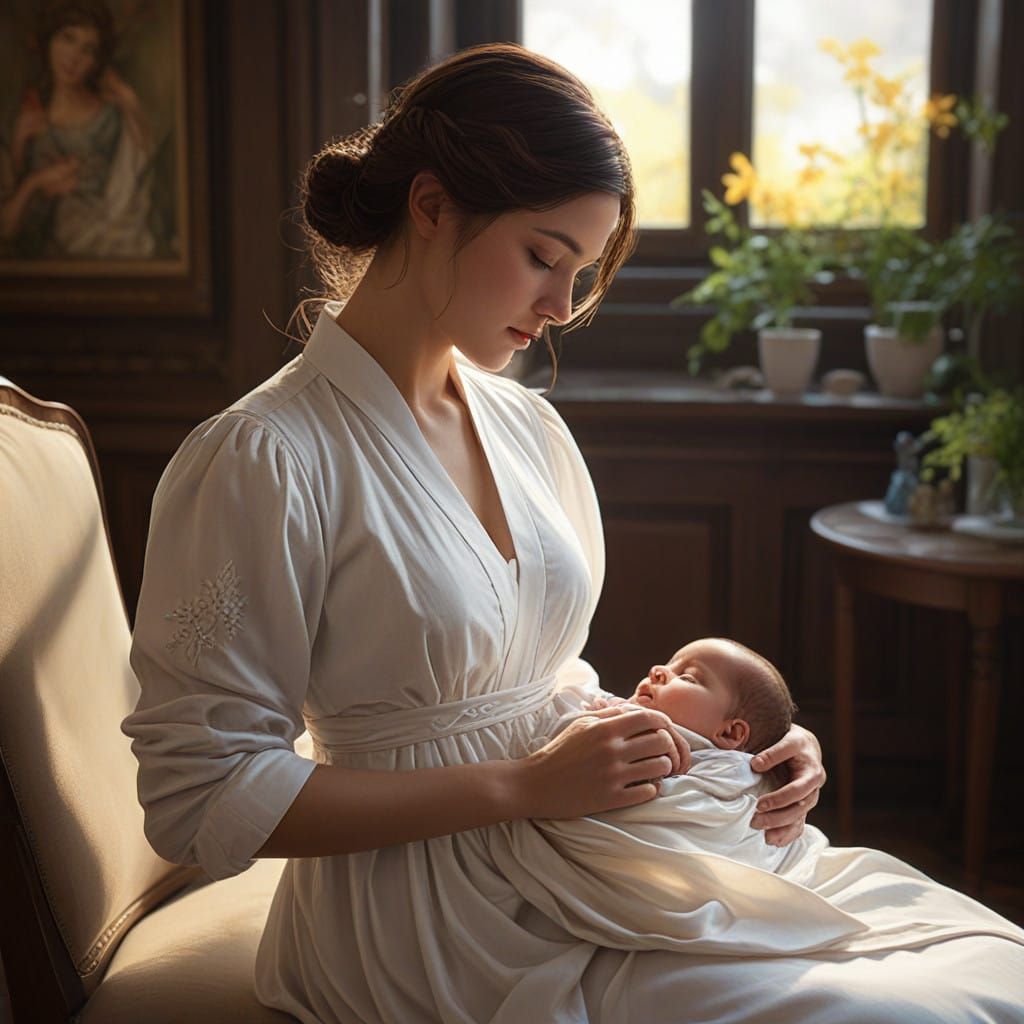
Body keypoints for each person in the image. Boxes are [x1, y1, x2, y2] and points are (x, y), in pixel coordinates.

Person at [123, 43, 1024, 1024]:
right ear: (432, 206)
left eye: (579, 272)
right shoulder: (264, 456)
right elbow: (200, 794)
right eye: (542, 256)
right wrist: (518, 786)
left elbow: (538, 679)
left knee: (990, 961)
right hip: (428, 919)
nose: (558, 308)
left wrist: (738, 763)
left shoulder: (524, 425)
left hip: (587, 848)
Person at [0, 0, 156, 259]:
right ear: (49, 40)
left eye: (88, 49)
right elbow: (7, 224)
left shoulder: (111, 118)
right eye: (67, 38)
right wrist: (26, 163)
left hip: (101, 252)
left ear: (97, 61)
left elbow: (135, 177)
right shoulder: (24, 118)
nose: (73, 57)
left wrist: (131, 104)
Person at [588, 636, 796, 754]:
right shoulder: (604, 704)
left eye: (687, 678)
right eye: (670, 664)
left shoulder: (723, 779)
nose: (657, 670)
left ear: (729, 733)